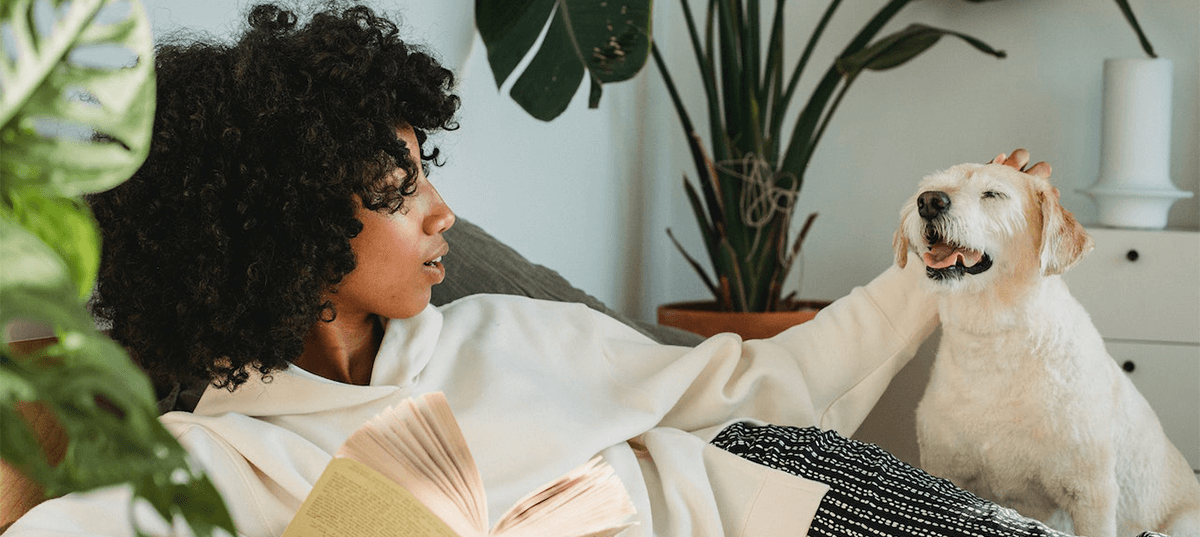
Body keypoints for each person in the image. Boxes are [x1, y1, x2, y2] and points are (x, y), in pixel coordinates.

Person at [5, 4, 1170, 537]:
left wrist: (944, 257)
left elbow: (762, 391)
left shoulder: (504, 334)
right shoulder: (212, 453)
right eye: (400, 184)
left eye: (429, 170)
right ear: (282, 221)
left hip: (775, 493)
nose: (442, 208)